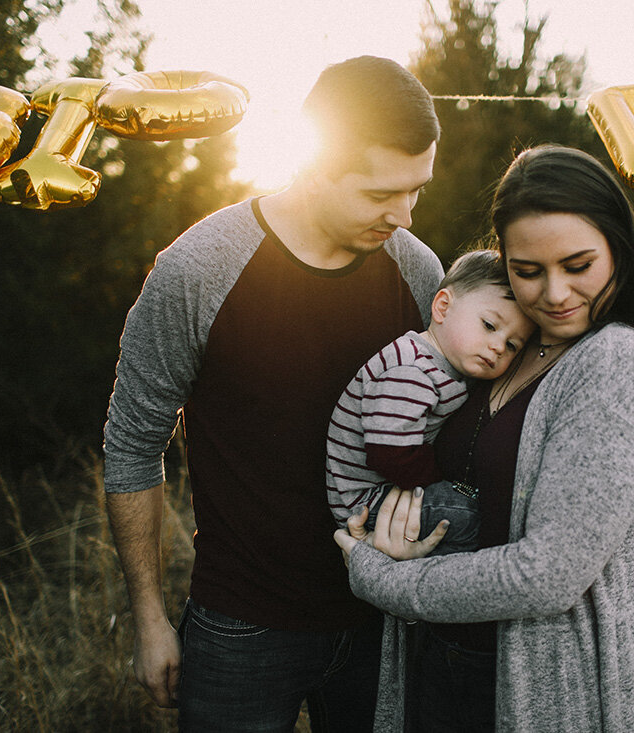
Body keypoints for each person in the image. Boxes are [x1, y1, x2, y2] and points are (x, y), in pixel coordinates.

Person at [102, 56, 443, 731]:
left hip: (383, 618)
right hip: (241, 628)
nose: (403, 215)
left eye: (417, 190)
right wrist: (149, 615)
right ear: (313, 165)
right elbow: (133, 445)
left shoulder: (418, 270)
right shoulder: (198, 270)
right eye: (381, 193)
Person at [335, 145, 634, 732]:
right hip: (435, 662)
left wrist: (389, 579)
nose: (553, 294)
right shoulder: (497, 345)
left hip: (547, 689)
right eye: (528, 271)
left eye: (578, 266)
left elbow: (550, 572)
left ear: (618, 249)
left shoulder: (617, 360)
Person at [326, 249, 534, 555]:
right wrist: (439, 481)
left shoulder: (446, 365)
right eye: (489, 326)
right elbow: (390, 452)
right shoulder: (413, 370)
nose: (498, 346)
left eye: (513, 345)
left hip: (383, 490)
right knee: (470, 518)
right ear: (443, 307)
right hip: (365, 499)